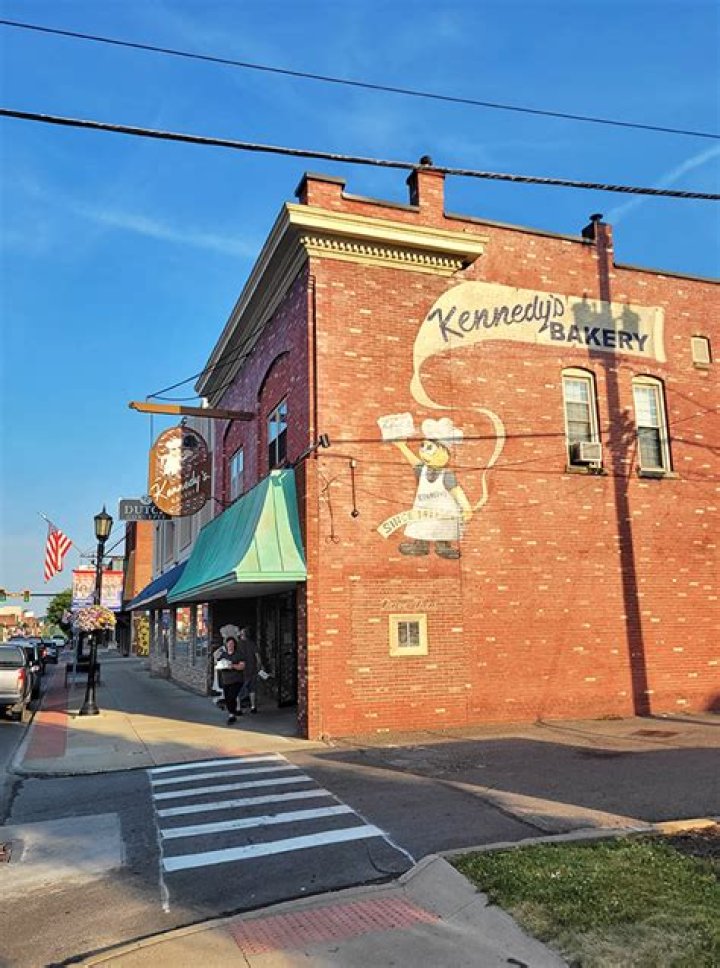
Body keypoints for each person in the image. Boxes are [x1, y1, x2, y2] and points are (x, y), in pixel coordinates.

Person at [213, 636, 245, 725]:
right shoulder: (224, 655)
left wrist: (232, 666)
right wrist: (218, 664)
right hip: (226, 680)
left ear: (234, 645)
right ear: (226, 645)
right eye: (229, 644)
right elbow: (218, 663)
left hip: (237, 680)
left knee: (232, 697)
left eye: (232, 644)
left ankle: (232, 715)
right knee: (227, 698)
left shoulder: (239, 654)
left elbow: (242, 666)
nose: (230, 645)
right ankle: (232, 713)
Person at [236, 626, 260, 714]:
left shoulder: (238, 644)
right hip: (252, 670)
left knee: (238, 690)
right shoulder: (252, 643)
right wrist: (259, 666)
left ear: (242, 634)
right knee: (252, 689)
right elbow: (257, 657)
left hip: (241, 671)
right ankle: (253, 707)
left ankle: (238, 709)